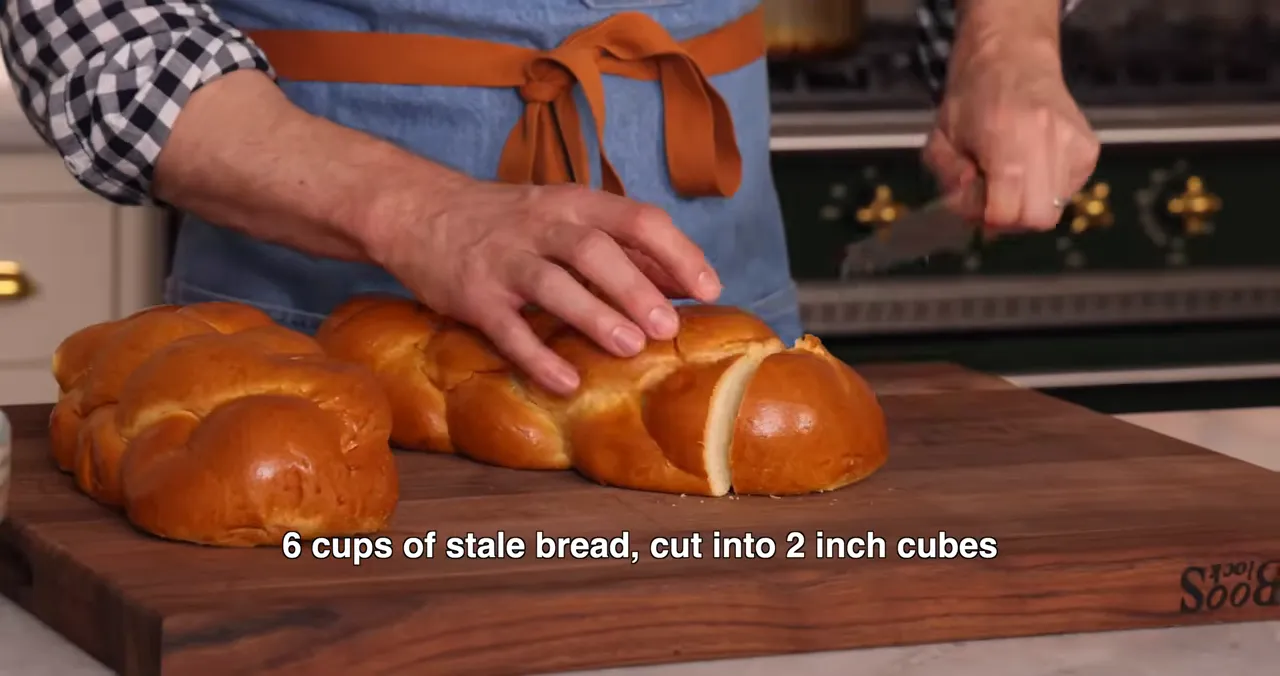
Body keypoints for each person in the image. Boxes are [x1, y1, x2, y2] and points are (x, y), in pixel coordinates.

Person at [1, 0, 1098, 397]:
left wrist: (1006, 38)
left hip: (717, 340)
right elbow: (93, 35)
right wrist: (422, 212)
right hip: (315, 340)